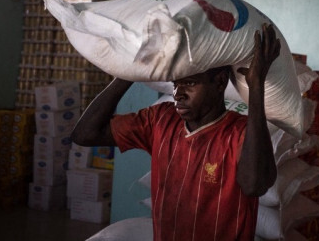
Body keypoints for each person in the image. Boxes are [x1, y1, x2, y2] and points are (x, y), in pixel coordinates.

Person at [71, 23, 281, 241]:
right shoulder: (161, 119)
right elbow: (84, 134)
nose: (178, 94)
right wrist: (128, 73)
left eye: (189, 83)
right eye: (175, 84)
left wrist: (256, 87)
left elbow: (255, 185)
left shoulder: (240, 131)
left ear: (219, 83)